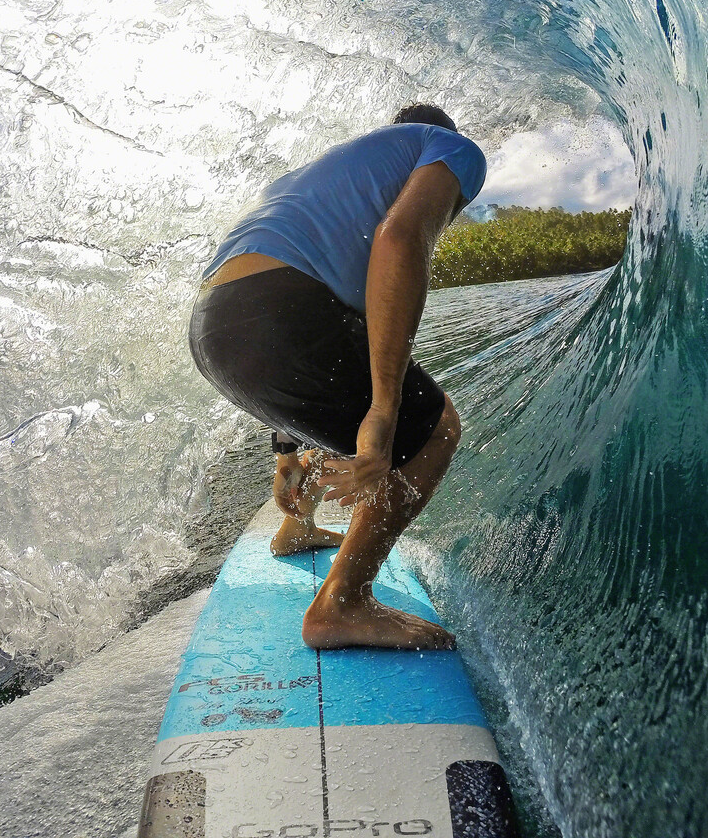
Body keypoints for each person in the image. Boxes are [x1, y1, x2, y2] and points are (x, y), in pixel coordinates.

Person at [188, 104, 487, 650]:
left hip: (214, 327)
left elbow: (285, 289)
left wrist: (284, 451)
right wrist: (384, 408)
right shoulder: (451, 149)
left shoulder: (322, 177)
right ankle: (341, 604)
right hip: (278, 313)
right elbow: (401, 239)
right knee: (433, 429)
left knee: (341, 395)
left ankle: (296, 525)